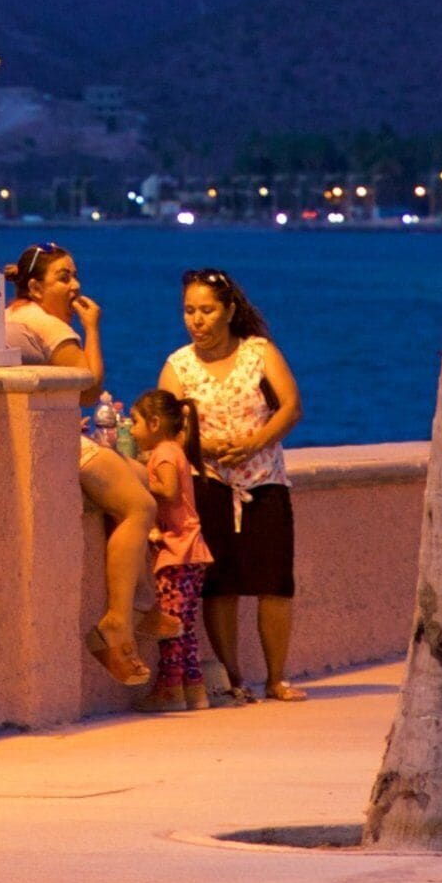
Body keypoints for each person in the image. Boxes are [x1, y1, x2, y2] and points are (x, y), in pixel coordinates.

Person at [4, 243, 156, 687]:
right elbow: (88, 390)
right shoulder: (47, 325)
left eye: (75, 276)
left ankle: (146, 603)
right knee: (139, 506)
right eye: (64, 278)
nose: (75, 286)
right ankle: (115, 622)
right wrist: (92, 328)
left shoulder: (13, 316)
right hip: (57, 441)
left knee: (144, 477)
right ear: (36, 286)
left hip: (42, 436)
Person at [162, 266, 305, 703]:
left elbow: (291, 407)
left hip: (264, 483)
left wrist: (253, 443)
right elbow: (167, 428)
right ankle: (234, 677)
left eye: (206, 310)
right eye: (189, 311)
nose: (197, 320)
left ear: (228, 311)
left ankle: (276, 677)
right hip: (208, 487)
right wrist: (204, 447)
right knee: (219, 584)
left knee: (274, 583)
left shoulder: (259, 352)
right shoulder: (178, 365)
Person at [124, 389, 215, 712]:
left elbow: (169, 490)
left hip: (178, 551)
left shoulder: (163, 452)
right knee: (186, 628)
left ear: (155, 422)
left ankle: (169, 690)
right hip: (192, 552)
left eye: (134, 423)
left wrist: (137, 480)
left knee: (170, 627)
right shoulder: (176, 450)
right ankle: (195, 690)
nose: (131, 429)